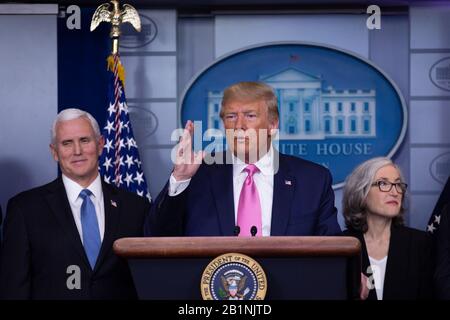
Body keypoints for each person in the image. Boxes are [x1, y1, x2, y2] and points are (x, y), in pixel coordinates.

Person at [147, 81, 341, 237]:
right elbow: (155, 237)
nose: (239, 125)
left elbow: (332, 253)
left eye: (250, 115)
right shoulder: (197, 174)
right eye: (231, 117)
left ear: (272, 124)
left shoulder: (312, 180)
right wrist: (180, 179)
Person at [0, 108, 150, 299]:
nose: (77, 151)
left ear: (100, 144)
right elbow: (13, 289)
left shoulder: (136, 207)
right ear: (54, 152)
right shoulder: (25, 209)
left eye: (84, 140)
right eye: (67, 143)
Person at [342, 157, 433, 300]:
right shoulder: (341, 245)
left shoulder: (420, 244)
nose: (394, 192)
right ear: (361, 192)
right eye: (383, 183)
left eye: (398, 185)